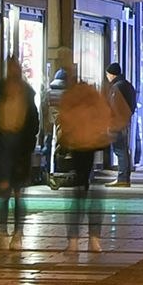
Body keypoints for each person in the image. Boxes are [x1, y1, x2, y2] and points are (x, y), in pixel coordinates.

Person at [55, 73, 113, 252]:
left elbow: (63, 122)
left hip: (78, 148)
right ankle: (93, 238)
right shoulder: (92, 98)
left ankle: (73, 240)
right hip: (90, 147)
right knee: (91, 192)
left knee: (77, 194)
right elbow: (105, 119)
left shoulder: (71, 99)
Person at [0, 58, 39, 251]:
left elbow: (33, 122)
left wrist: (29, 144)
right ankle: (2, 233)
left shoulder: (26, 93)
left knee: (18, 192)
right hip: (2, 144)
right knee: (3, 192)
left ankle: (17, 233)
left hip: (20, 145)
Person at [105, 62, 138, 184]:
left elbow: (113, 107)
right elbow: (132, 105)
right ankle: (124, 177)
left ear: (112, 75)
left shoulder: (116, 87)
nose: (107, 77)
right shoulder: (128, 86)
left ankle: (122, 178)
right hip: (125, 122)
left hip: (116, 123)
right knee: (123, 149)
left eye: (107, 74)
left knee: (119, 150)